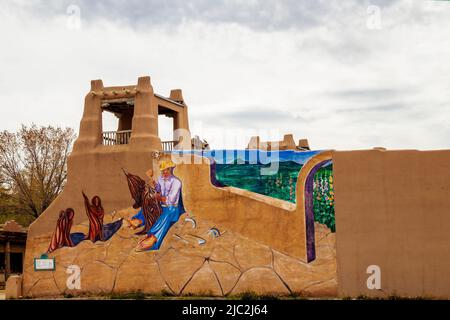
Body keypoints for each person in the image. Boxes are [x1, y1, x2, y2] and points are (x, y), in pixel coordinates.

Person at [131, 160, 185, 251]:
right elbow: (159, 189)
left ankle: (154, 237)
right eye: (162, 170)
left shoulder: (176, 182)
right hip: (161, 204)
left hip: (173, 208)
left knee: (166, 215)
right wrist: (155, 185)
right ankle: (140, 220)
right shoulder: (161, 178)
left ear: (170, 169)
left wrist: (158, 198)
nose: (163, 172)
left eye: (165, 170)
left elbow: (171, 201)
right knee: (149, 205)